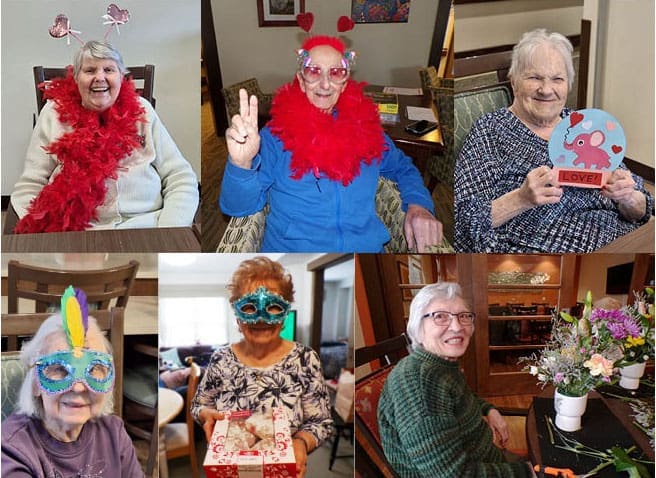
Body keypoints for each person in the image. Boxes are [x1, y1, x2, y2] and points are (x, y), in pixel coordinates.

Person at [220, 33, 442, 252]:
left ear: (344, 83)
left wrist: (419, 204)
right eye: (314, 72)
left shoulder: (366, 129)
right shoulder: (274, 137)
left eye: (335, 73)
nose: (325, 84)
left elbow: (403, 167)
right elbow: (238, 207)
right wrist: (241, 164)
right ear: (301, 81)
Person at [454, 29, 652, 252]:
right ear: (514, 82)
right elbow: (464, 222)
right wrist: (521, 199)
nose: (546, 90)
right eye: (534, 77)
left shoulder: (583, 124)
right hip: (542, 250)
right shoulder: (490, 130)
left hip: (619, 241)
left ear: (568, 85)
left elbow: (643, 208)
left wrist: (628, 197)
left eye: (557, 79)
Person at [11, 40, 199, 233]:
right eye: (90, 70)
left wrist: (170, 229)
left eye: (109, 70)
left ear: (121, 77)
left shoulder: (143, 110)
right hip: (75, 232)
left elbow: (179, 176)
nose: (99, 77)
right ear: (76, 78)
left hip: (148, 224)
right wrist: (42, 229)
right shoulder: (53, 113)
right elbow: (30, 185)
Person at [191, 257, 332, 478]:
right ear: (237, 317)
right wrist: (205, 414)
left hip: (283, 472)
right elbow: (199, 405)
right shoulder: (220, 358)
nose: (261, 318)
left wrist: (301, 442)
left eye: (273, 307)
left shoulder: (305, 359)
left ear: (285, 315)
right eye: (249, 307)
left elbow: (320, 421)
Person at [378, 282, 536, 478]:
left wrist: (489, 409)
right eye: (440, 317)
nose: (456, 327)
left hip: (489, 461)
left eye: (463, 316)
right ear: (418, 328)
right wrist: (528, 472)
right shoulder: (420, 385)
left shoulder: (440, 365)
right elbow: (453, 475)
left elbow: (461, 395)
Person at [1, 287, 144, 477]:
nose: (78, 387)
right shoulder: (12, 449)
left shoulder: (114, 434)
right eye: (60, 369)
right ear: (35, 382)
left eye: (93, 369)